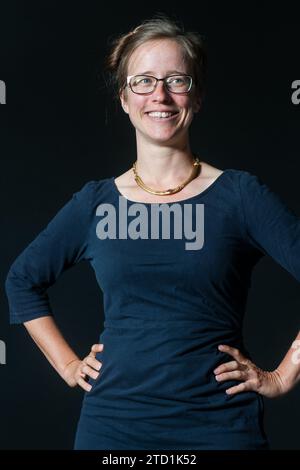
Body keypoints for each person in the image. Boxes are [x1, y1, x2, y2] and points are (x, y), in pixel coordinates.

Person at [5, 15, 300, 451]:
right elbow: (21, 281)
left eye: (176, 80)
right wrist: (68, 365)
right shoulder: (95, 203)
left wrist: (281, 376)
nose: (159, 95)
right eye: (142, 81)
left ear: (196, 97)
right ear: (124, 98)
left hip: (220, 429)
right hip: (112, 428)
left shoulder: (240, 196)